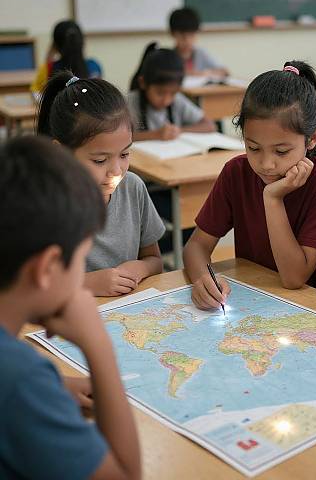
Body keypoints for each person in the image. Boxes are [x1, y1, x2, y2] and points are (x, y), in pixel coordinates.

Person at [0, 136, 140, 479]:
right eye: (81, 258)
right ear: (47, 267)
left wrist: (55, 387)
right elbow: (124, 476)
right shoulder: (20, 379)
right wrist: (98, 346)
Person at [184, 61, 316, 309]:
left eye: (281, 151)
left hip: (311, 308)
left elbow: (293, 278)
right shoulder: (236, 172)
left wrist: (272, 199)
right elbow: (196, 246)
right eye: (253, 148)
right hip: (255, 298)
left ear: (311, 138)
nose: (266, 164)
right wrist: (203, 279)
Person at [37, 71, 165, 297]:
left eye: (124, 155)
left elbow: (155, 260)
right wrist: (85, 283)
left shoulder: (133, 188)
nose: (116, 171)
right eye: (99, 160)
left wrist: (141, 268)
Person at [128, 42, 215, 142]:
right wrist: (155, 134)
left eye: (173, 93)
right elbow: (116, 137)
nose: (166, 100)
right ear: (143, 83)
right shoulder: (128, 103)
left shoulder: (177, 100)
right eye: (160, 93)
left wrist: (179, 130)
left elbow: (210, 125)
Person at [31, 20, 102, 94]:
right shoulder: (94, 66)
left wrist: (49, 57)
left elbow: (36, 94)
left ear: (55, 45)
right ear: (82, 42)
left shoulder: (48, 69)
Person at [169, 7, 228, 77]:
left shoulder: (201, 54)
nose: (188, 41)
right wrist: (190, 73)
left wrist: (206, 73)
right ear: (173, 34)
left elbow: (225, 71)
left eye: (192, 35)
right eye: (183, 37)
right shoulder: (168, 57)